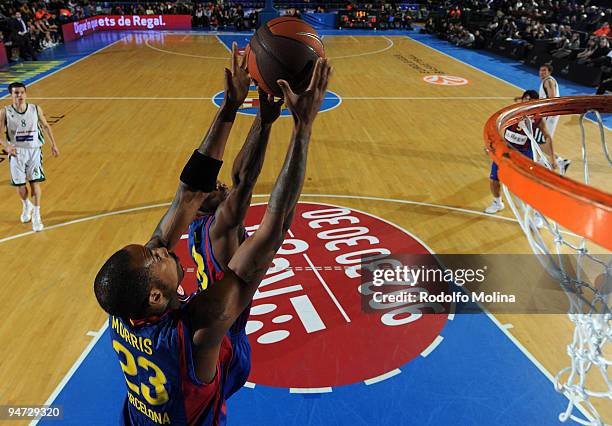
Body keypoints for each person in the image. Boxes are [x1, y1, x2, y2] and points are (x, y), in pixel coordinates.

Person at [93, 45, 331, 425]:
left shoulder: (124, 308)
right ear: (155, 296)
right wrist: (303, 128)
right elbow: (274, 227)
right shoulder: (200, 328)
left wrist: (231, 107)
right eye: (153, 256)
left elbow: (189, 191)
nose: (157, 247)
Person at [187, 87, 283, 296]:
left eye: (218, 181)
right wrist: (264, 122)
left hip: (206, 305)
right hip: (223, 324)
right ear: (200, 202)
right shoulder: (220, 224)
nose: (221, 185)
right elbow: (243, 180)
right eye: (214, 188)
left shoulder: (194, 224)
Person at [0, 82, 60, 232]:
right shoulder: (5, 112)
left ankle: (37, 216)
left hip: (34, 150)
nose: (19, 95)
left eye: (21, 92)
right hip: (16, 152)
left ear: (25, 93)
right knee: (20, 185)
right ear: (11, 95)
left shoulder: (35, 109)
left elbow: (46, 126)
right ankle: (26, 205)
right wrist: (6, 146)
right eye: (16, 93)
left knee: (35, 183)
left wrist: (54, 144)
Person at [485, 90, 555, 215]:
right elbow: (498, 129)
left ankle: (537, 213)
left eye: (530, 99)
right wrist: (492, 145)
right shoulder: (509, 114)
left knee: (531, 185)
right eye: (525, 98)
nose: (527, 101)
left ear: (534, 102)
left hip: (524, 153)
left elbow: (547, 137)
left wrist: (553, 159)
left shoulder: (538, 119)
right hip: (505, 151)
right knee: (494, 179)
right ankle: (497, 202)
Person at [538, 63, 570, 173]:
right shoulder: (547, 81)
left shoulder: (548, 81)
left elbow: (551, 97)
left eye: (544, 70)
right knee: (540, 139)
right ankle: (544, 160)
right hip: (549, 113)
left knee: (542, 139)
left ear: (549, 72)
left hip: (549, 114)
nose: (542, 72)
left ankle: (560, 161)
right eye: (541, 70)